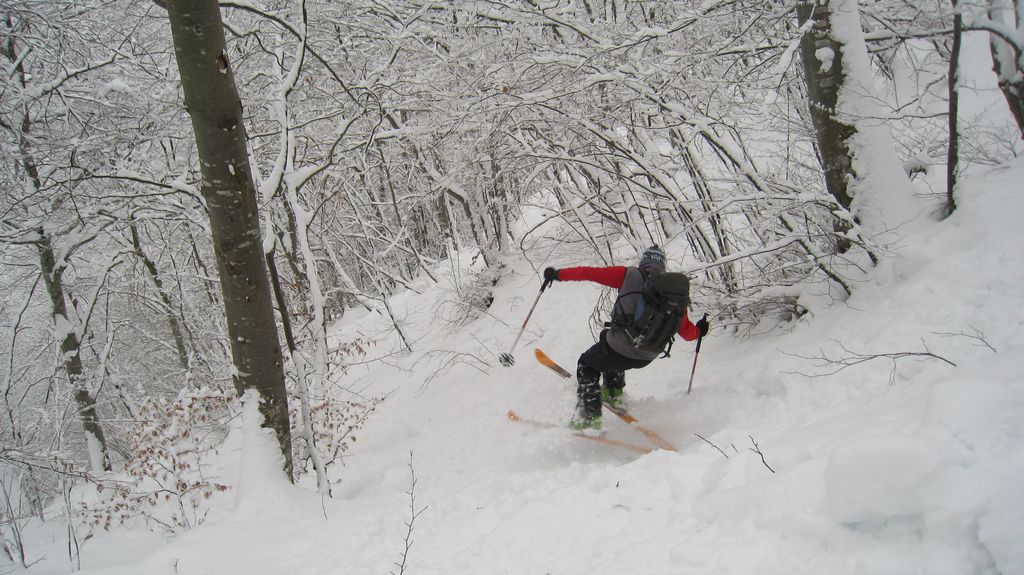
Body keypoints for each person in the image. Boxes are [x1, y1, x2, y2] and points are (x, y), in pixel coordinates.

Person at [542, 245, 709, 430]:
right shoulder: (672, 294)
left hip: (621, 348)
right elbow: (688, 333)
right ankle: (613, 392)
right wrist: (700, 331)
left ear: (643, 262)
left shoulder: (628, 275)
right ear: (663, 266)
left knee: (586, 365)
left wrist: (558, 275)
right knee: (606, 337)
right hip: (648, 355)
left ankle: (588, 419)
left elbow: (589, 273)